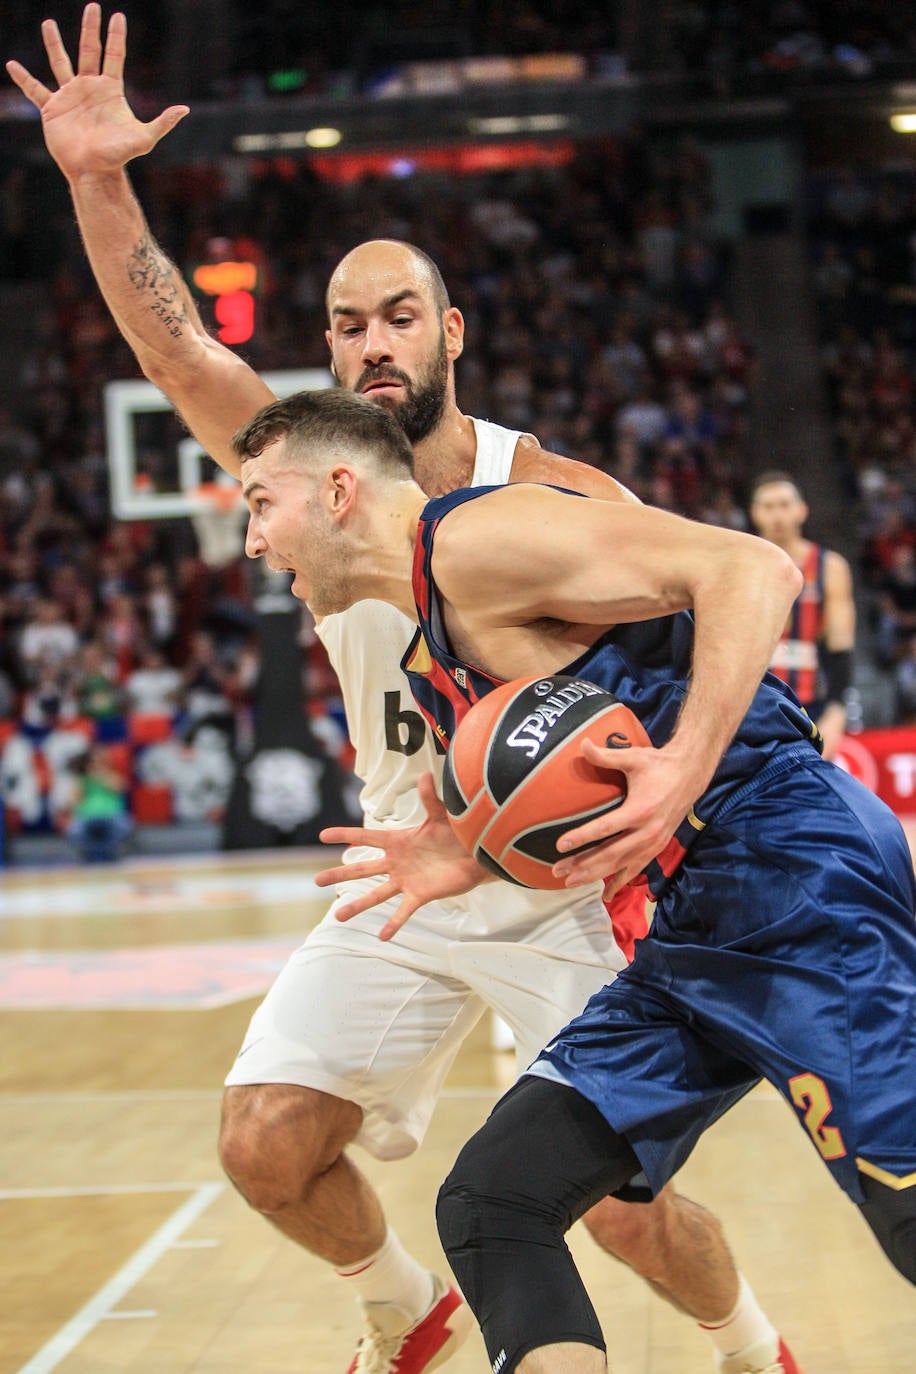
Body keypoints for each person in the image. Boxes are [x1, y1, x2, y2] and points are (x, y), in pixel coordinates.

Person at [6, 12, 804, 1373]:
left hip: (559, 891)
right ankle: (407, 1308)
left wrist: (671, 790)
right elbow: (176, 350)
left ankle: (752, 1343)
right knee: (263, 1137)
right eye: (344, 322)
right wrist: (96, 179)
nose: (371, 342)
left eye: (396, 316)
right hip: (406, 870)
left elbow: (711, 615)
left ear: (450, 328)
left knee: (621, 1213)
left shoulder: (551, 496)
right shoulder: (314, 478)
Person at [230, 387, 916, 1374]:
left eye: (260, 501)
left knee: (902, 1200)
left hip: (786, 867)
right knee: (492, 1200)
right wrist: (471, 850)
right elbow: (575, 772)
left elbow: (749, 570)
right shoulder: (435, 647)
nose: (253, 541)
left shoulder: (471, 537)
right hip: (685, 926)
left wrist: (684, 761)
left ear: (338, 490)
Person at [748, 471, 856, 760]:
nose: (777, 515)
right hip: (752, 700)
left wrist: (836, 709)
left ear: (801, 510)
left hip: (811, 700)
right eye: (768, 507)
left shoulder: (830, 567)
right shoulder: (742, 565)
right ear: (755, 513)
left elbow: (840, 644)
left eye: (784, 505)